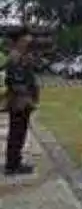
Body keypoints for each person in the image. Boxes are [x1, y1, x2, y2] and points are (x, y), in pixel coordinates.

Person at [4, 27, 39, 176]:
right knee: (16, 133)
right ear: (19, 40)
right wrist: (27, 97)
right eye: (26, 38)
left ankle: (16, 161)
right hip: (19, 102)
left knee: (20, 133)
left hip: (23, 101)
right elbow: (15, 82)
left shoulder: (23, 56)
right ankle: (12, 165)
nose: (29, 40)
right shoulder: (15, 58)